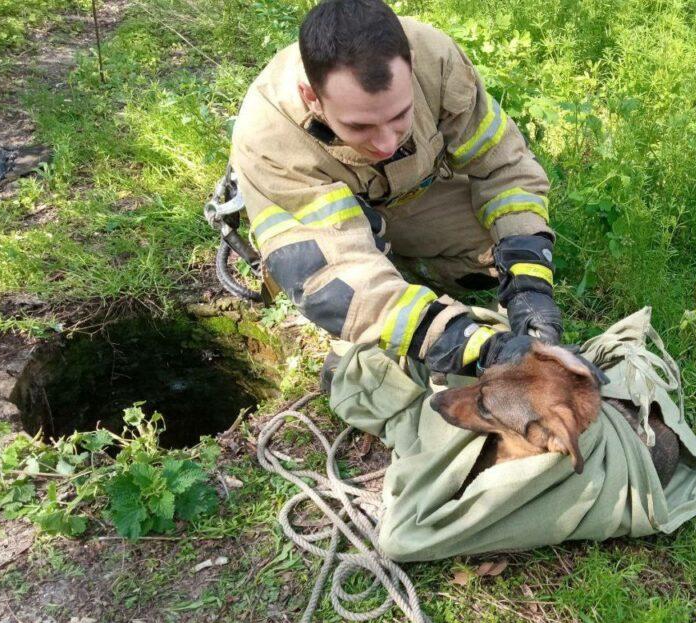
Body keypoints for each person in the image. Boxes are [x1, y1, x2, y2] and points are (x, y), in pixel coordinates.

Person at [229, 0, 563, 383]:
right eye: (360, 126)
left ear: (412, 64)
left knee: (498, 255)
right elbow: (332, 276)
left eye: (400, 115)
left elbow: (504, 166)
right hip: (333, 235)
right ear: (312, 98)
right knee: (363, 327)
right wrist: (471, 347)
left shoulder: (433, 59)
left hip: (413, 198)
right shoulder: (268, 136)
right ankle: (372, 330)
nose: (386, 144)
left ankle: (409, 273)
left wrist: (530, 289)